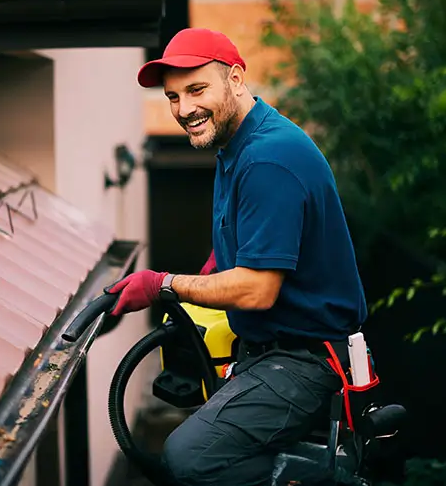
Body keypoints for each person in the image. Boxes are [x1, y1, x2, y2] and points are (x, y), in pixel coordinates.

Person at [107, 28, 368, 486]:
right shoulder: (238, 146)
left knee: (189, 458)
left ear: (236, 78)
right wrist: (207, 274)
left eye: (196, 89)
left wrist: (162, 285)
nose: (184, 109)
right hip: (270, 353)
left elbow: (258, 288)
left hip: (305, 363)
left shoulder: (268, 158)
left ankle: (330, 476)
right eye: (173, 97)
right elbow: (242, 241)